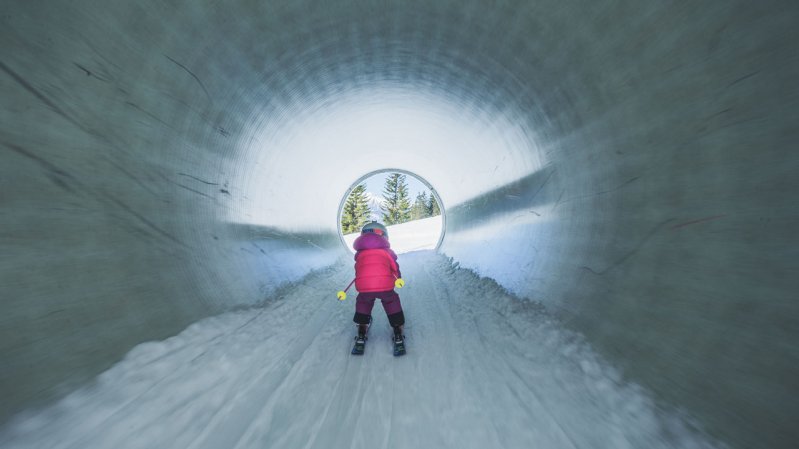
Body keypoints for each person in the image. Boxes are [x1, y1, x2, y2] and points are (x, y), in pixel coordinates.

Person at [350, 221, 405, 347]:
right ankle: (397, 329)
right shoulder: (387, 251)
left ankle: (362, 329)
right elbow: (395, 268)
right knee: (391, 300)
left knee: (364, 301)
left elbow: (358, 269)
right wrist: (398, 279)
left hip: (364, 286)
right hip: (385, 285)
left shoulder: (359, 253)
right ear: (384, 236)